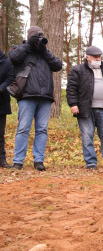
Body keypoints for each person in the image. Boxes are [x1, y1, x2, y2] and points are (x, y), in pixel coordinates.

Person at [9, 26, 63, 171]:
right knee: (23, 129)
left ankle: (39, 160)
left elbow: (58, 65)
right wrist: (28, 44)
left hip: (45, 97)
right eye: (36, 37)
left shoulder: (45, 53)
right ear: (29, 37)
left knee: (42, 130)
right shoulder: (19, 50)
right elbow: (13, 58)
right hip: (26, 95)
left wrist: (44, 50)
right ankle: (18, 161)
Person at [66, 46, 103, 170]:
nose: (98, 59)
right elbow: (71, 89)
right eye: (95, 57)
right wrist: (73, 104)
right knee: (87, 135)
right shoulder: (77, 70)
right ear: (87, 57)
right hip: (85, 109)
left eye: (99, 57)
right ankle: (91, 164)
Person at [0, 49, 14, 168]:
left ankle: (2, 160)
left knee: (0, 133)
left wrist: (1, 88)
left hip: (1, 101)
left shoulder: (6, 62)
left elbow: (10, 78)